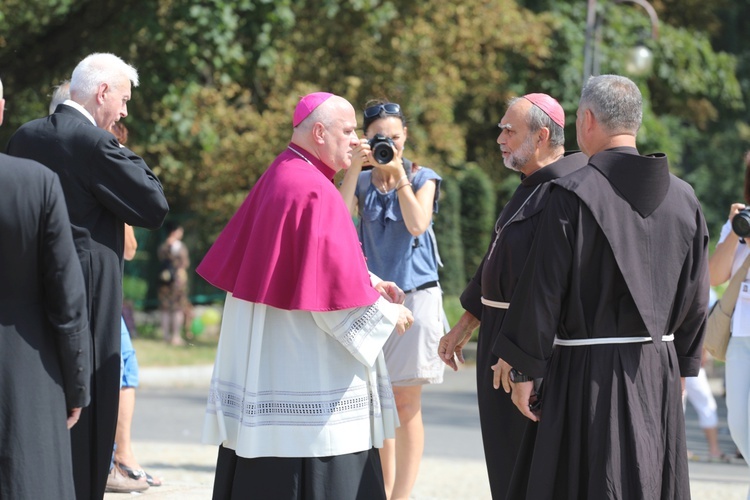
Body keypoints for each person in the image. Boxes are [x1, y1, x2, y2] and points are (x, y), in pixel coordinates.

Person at [494, 75, 709, 499]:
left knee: (586, 482)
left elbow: (544, 290)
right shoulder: (686, 199)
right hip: (657, 368)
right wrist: (682, 364)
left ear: (587, 120)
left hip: (585, 375)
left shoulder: (570, 194)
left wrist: (524, 368)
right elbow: (696, 294)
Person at [196, 92, 414, 500]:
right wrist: (386, 313)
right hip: (306, 371)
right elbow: (332, 303)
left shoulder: (284, 174)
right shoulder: (313, 189)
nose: (356, 140)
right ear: (319, 132)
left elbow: (316, 264)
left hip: (276, 359)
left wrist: (368, 278)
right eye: (348, 131)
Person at [6, 53, 169, 500]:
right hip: (89, 300)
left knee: (41, 408)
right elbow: (154, 205)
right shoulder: (95, 144)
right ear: (101, 93)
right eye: (123, 99)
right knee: (89, 416)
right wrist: (115, 146)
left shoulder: (24, 136)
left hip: (29, 295)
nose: (124, 111)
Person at [437, 94, 587, 498]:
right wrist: (466, 322)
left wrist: (520, 354)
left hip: (528, 347)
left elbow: (549, 287)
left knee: (529, 465)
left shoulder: (567, 190)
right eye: (501, 128)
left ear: (541, 136)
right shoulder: (528, 186)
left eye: (510, 130)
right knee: (504, 463)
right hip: (500, 336)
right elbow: (494, 264)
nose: (499, 137)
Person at [338, 100, 448, 499]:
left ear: (406, 139)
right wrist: (355, 166)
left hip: (417, 299)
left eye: (395, 138)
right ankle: (381, 492)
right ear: (366, 138)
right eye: (380, 138)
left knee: (406, 403)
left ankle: (401, 495)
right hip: (377, 300)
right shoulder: (362, 183)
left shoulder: (422, 177)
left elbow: (418, 223)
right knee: (380, 403)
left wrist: (398, 173)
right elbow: (336, 219)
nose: (389, 144)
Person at [0, 77, 91, 499]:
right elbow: (66, 297)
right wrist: (76, 384)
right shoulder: (36, 183)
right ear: (0, 110)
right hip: (27, 374)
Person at [708, 150, 750, 493]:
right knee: (739, 428)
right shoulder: (740, 221)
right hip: (740, 337)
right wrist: (736, 232)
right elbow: (714, 275)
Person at [157, 221, 190, 346]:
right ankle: (176, 336)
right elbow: (185, 263)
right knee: (177, 308)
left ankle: (166, 335)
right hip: (177, 280)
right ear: (175, 231)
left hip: (164, 279)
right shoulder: (179, 246)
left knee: (165, 308)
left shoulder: (162, 246)